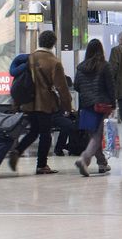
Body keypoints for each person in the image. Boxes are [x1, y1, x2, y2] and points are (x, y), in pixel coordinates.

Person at [8, 30, 73, 175]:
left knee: (34, 131)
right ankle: (41, 165)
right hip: (44, 103)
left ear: (40, 42)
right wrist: (68, 107)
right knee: (45, 134)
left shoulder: (30, 58)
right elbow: (62, 88)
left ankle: (17, 151)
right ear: (53, 44)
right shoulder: (54, 62)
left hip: (28, 102)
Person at [72, 38, 116, 177]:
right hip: (102, 105)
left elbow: (77, 86)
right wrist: (113, 104)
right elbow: (111, 87)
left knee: (93, 135)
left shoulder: (80, 67)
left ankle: (102, 163)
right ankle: (84, 159)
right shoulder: (105, 66)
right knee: (97, 136)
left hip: (86, 105)